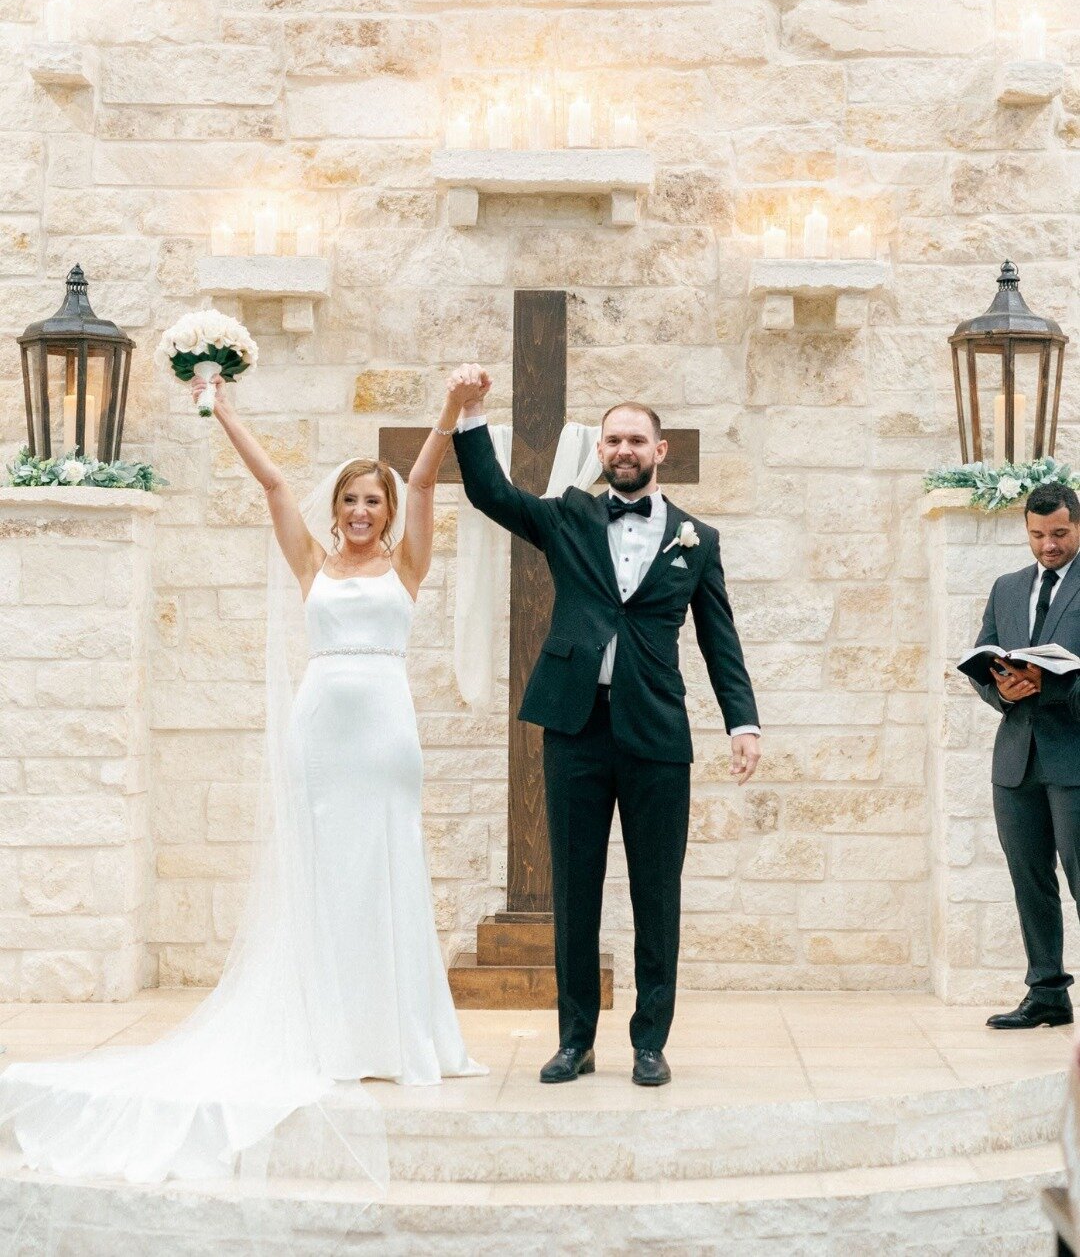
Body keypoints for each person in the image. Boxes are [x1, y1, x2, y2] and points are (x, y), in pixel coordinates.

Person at [0, 373, 485, 1187]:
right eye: (352, 502)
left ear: (389, 512)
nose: (362, 512)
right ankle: (327, 1033)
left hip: (388, 736)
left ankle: (398, 1039)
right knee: (325, 880)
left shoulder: (409, 566)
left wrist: (449, 412)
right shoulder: (311, 562)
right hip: (323, 732)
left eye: (374, 502)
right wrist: (222, 408)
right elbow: (273, 481)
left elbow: (431, 474)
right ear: (336, 511)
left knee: (388, 872)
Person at [447, 364, 761, 1087]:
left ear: (660, 452)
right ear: (603, 450)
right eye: (613, 439)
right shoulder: (567, 516)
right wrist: (467, 415)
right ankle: (574, 1040)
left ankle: (650, 1042)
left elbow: (721, 639)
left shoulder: (697, 540)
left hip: (657, 736)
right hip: (574, 729)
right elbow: (493, 494)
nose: (623, 449)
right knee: (574, 892)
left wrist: (742, 722)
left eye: (636, 440)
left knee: (658, 894)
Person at [970, 482, 1080, 1030]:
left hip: (1075, 759)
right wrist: (1001, 690)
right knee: (1029, 878)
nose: (1048, 545)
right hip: (1016, 758)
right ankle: (1047, 993)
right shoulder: (1007, 587)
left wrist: (1053, 686)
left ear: (1077, 526)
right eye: (1038, 535)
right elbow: (985, 658)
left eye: (1059, 533)